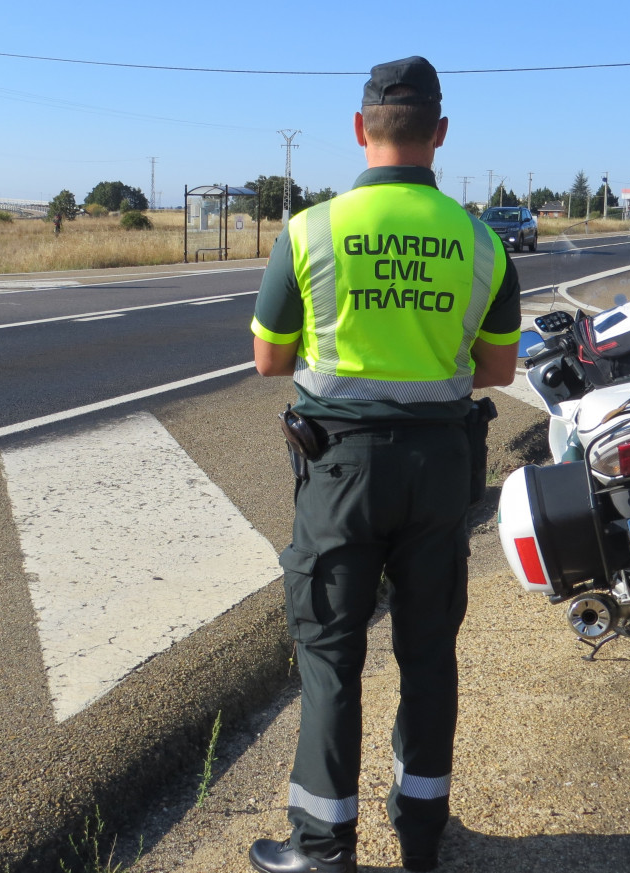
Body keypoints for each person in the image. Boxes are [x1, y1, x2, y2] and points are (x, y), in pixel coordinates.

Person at [248, 56, 522, 873]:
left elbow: (269, 359)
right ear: (439, 135)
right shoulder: (478, 239)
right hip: (442, 465)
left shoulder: (310, 230)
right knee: (428, 649)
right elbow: (499, 370)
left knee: (331, 652)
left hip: (340, 469)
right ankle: (422, 832)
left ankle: (323, 844)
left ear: (360, 129)